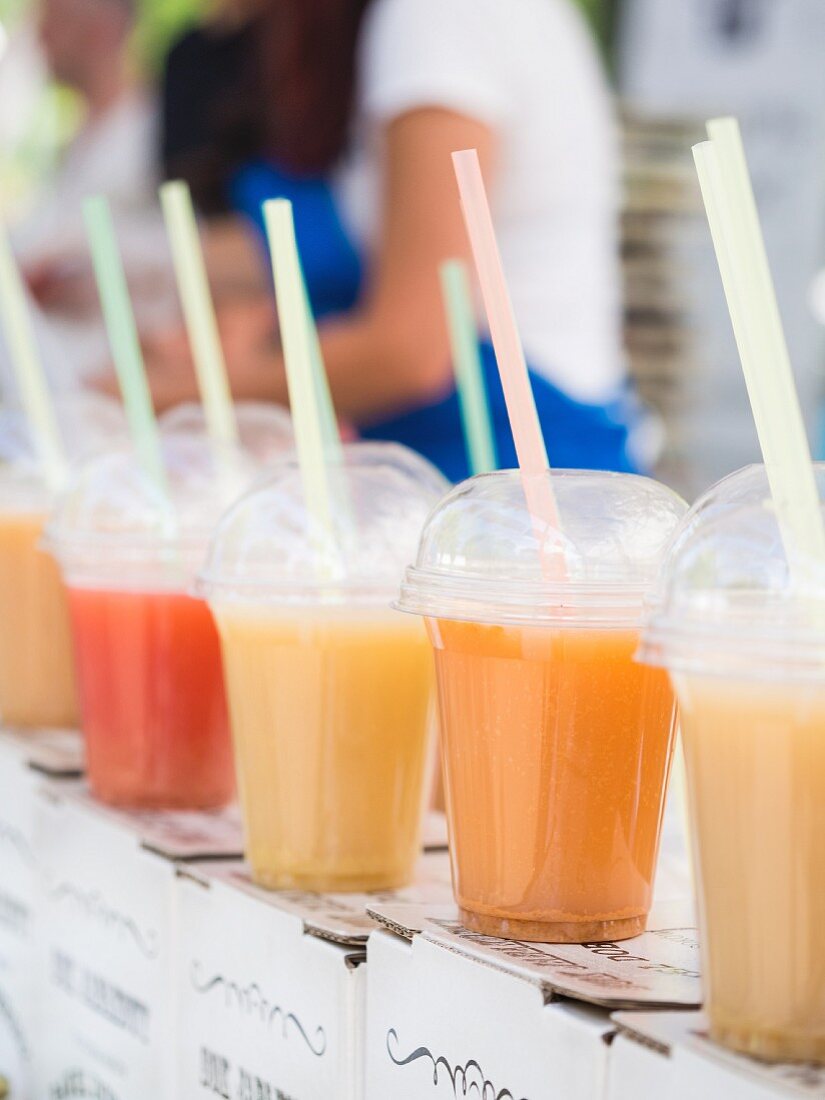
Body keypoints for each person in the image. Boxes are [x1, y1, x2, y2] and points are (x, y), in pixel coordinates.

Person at [140, 0, 641, 481]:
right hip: (441, 480)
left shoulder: (438, 17)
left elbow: (410, 352)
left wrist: (155, 398)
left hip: (507, 491)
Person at [13, 0, 158, 316]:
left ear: (98, 31)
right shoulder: (76, 135)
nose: (40, 37)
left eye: (53, 21)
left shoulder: (159, 131)